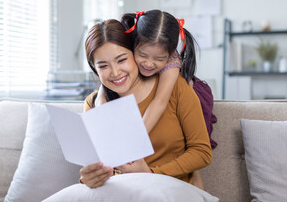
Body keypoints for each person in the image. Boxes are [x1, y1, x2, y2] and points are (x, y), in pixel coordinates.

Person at [80, 19, 212, 189]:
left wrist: (150, 173)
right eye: (103, 66)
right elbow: (97, 166)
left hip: (171, 191)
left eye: (121, 60)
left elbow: (201, 152)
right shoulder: (93, 104)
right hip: (120, 193)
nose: (115, 72)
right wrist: (90, 178)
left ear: (135, 53)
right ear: (94, 68)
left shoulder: (175, 87)